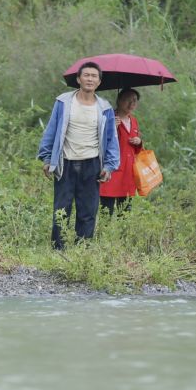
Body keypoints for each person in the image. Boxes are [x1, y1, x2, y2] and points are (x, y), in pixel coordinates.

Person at [38, 61, 120, 249]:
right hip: (65, 163)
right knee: (61, 209)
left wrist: (109, 166)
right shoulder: (63, 102)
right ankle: (58, 249)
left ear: (99, 82)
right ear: (78, 79)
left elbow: (111, 139)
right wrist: (47, 158)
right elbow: (52, 130)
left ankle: (82, 250)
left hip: (92, 164)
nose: (90, 79)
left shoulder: (105, 108)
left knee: (88, 211)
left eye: (94, 76)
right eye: (86, 75)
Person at [99, 88, 143, 215]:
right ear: (119, 100)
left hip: (128, 172)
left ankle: (123, 230)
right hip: (112, 170)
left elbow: (136, 150)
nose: (131, 104)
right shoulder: (109, 117)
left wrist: (139, 142)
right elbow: (99, 142)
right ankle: (104, 229)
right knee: (106, 211)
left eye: (134, 101)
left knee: (125, 212)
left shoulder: (133, 120)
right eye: (128, 100)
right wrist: (111, 127)